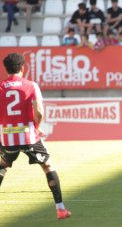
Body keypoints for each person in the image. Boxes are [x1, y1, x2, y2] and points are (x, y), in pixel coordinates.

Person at [0, 53, 71, 220]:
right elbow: (39, 110)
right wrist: (37, 127)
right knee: (47, 166)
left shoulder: (1, 86)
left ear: (6, 69)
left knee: (2, 166)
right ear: (23, 68)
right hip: (28, 136)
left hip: (7, 137)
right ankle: (60, 209)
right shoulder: (31, 85)